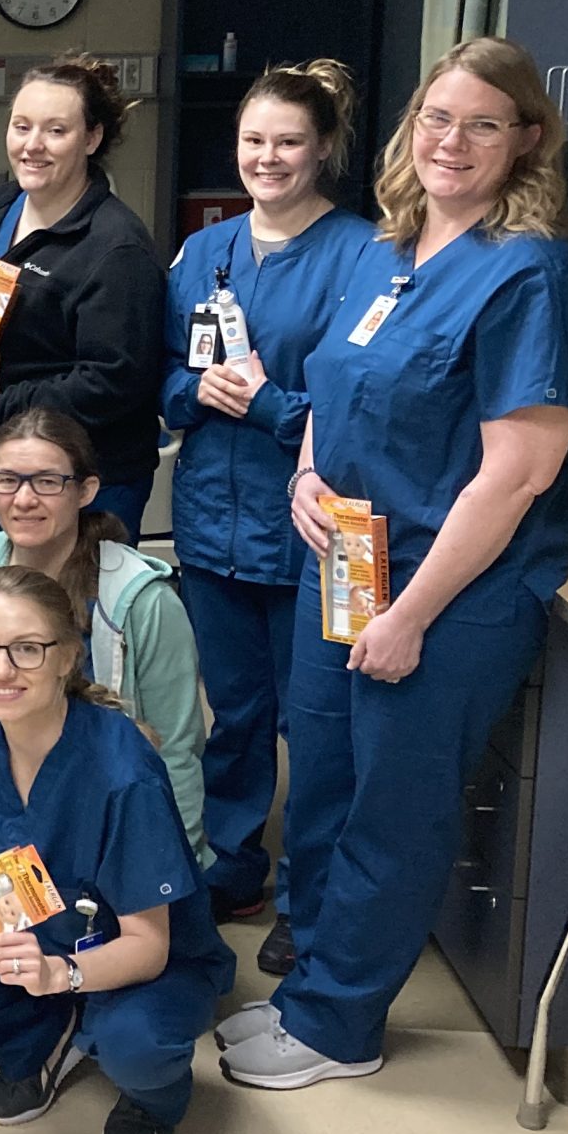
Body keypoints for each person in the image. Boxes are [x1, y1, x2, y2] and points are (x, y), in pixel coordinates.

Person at [221, 37, 568, 1091]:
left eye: (483, 124)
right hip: (341, 558)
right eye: (437, 117)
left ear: (526, 140)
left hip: (445, 589)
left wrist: (409, 615)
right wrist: (304, 475)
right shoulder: (391, 250)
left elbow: (515, 474)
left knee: (394, 807)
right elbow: (330, 384)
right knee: (328, 785)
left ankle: (338, 1027)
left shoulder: (535, 272)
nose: (452, 142)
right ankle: (307, 992)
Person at [0, 567, 235, 1134]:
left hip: (139, 958)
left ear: (68, 656)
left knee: (133, 1046)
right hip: (28, 935)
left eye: (27, 650)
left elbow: (149, 945)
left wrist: (60, 973)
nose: (0, 670)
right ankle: (41, 1042)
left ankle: (155, 1100)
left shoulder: (122, 773)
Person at [160, 60, 373, 946]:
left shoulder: (364, 255)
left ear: (323, 148)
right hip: (213, 522)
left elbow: (362, 403)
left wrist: (269, 405)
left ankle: (308, 902)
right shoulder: (204, 251)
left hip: (316, 529)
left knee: (316, 728)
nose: (269, 158)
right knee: (235, 718)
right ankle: (234, 870)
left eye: (289, 142)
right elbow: (165, 376)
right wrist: (192, 392)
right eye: (254, 141)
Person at [0, 408, 209, 869]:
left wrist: (176, 860)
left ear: (86, 490)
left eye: (47, 482)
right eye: (8, 480)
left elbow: (176, 749)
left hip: (109, 830)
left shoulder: (142, 601)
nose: (24, 499)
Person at [0, 55, 164, 543]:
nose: (32, 145)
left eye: (56, 131)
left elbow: (113, 381)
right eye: (21, 126)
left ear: (91, 139)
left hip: (71, 496)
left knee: (61, 620)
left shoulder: (116, 248)